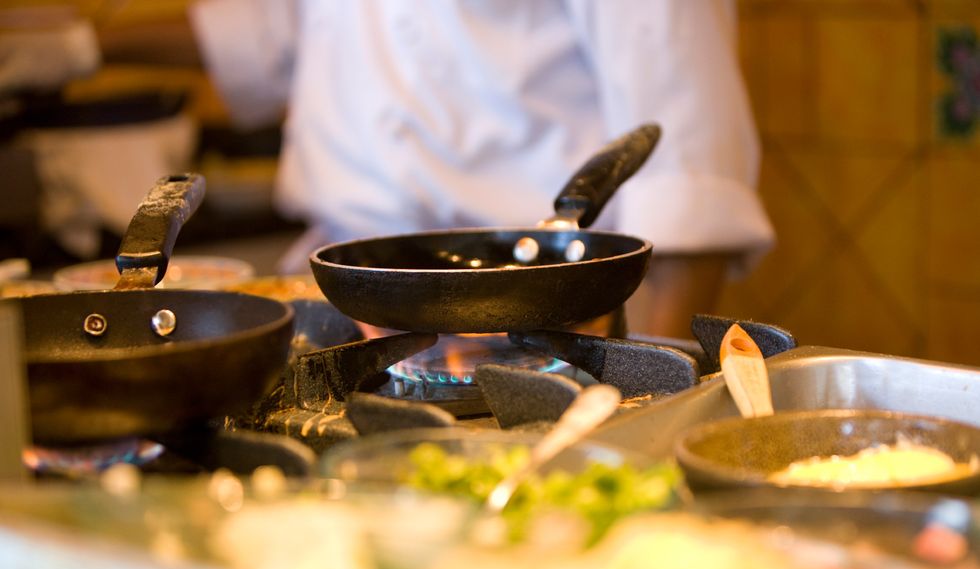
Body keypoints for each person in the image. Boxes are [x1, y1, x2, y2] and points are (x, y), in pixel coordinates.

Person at [98, 0, 773, 338]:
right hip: (328, 302)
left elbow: (690, 172)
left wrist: (649, 392)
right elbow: (258, 34)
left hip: (532, 308)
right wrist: (81, 44)